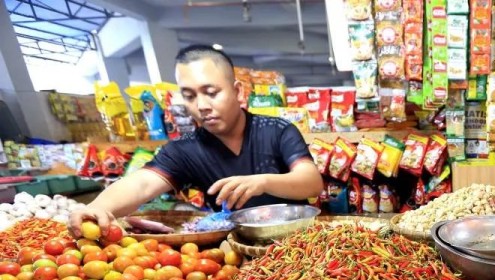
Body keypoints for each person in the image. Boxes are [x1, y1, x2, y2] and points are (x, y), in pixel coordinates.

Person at [69, 45, 324, 237]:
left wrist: (263, 182)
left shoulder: (277, 130)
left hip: (297, 244)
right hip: (234, 249)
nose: (202, 106)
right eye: (189, 96)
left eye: (211, 93)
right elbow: (142, 184)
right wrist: (98, 207)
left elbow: (311, 183)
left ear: (238, 91)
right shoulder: (185, 148)